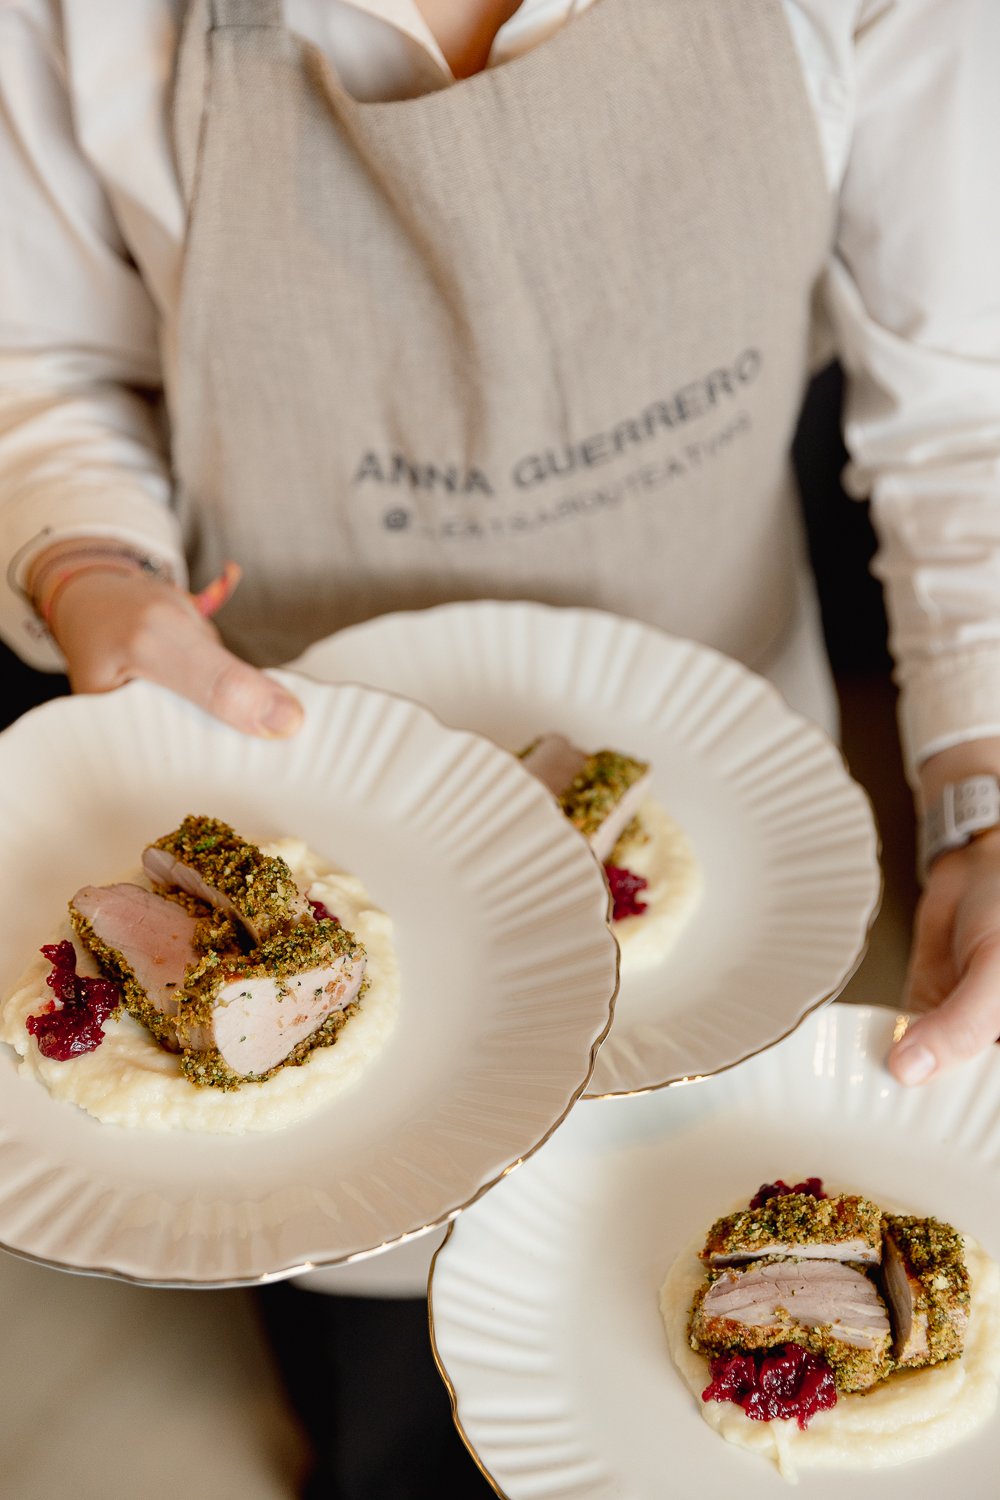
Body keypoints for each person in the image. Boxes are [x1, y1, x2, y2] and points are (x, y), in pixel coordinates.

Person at [1, 1, 998, 1494]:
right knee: (399, 1407)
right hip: (276, 750)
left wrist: (980, 801)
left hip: (728, 807)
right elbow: (35, 360)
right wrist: (90, 568)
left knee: (660, 1316)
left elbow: (968, 405)